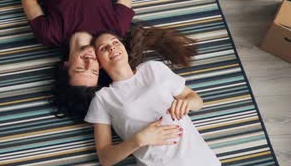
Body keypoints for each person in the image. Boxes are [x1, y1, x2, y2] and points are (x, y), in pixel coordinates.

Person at [84, 32, 230, 166]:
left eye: (115, 42)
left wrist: (187, 102)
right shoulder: (102, 99)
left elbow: (197, 100)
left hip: (203, 165)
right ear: (99, 63)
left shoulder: (153, 69)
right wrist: (138, 140)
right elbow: (105, 158)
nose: (112, 48)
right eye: (104, 48)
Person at [51, 24, 197, 119]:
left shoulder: (52, 33)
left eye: (80, 69)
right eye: (94, 71)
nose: (90, 61)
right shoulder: (114, 26)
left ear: (66, 66)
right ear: (100, 66)